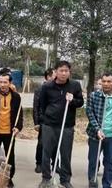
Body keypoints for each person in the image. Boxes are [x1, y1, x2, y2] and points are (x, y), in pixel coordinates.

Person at [38, 60, 84, 188]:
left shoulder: (75, 86)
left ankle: (65, 179)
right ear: (56, 72)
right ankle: (46, 178)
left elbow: (80, 102)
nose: (64, 73)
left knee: (66, 153)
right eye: (61, 71)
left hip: (67, 126)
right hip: (49, 125)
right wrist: (45, 118)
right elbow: (42, 104)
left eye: (66, 71)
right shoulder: (47, 86)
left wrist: (73, 100)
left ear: (69, 72)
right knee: (46, 152)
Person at [86, 72, 112, 188]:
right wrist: (98, 129)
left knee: (109, 163)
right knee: (93, 161)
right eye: (104, 81)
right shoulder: (94, 95)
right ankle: (92, 182)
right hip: (95, 135)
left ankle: (107, 185)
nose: (106, 84)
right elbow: (90, 113)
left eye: (109, 81)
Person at [33, 68, 55, 173]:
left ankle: (55, 163)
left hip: (55, 121)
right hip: (43, 121)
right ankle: (39, 163)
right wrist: (36, 122)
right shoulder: (40, 89)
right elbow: (36, 107)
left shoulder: (58, 88)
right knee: (41, 143)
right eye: (54, 75)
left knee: (55, 143)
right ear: (48, 77)